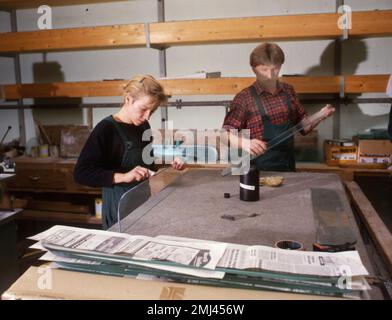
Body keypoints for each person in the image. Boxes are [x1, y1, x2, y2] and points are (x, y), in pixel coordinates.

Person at [74, 74, 185, 229]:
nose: (147, 116)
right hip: (118, 211)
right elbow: (81, 173)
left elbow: (148, 166)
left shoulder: (143, 126)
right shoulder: (106, 129)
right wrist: (123, 176)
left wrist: (170, 165)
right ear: (128, 100)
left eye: (151, 111)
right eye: (144, 109)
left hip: (143, 206)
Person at [222, 42, 335, 171]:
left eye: (275, 69)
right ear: (253, 69)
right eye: (264, 69)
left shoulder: (288, 91)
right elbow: (225, 135)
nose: (270, 76)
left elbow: (303, 128)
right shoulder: (245, 98)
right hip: (256, 172)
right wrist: (245, 143)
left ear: (280, 66)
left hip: (287, 168)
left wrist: (321, 115)